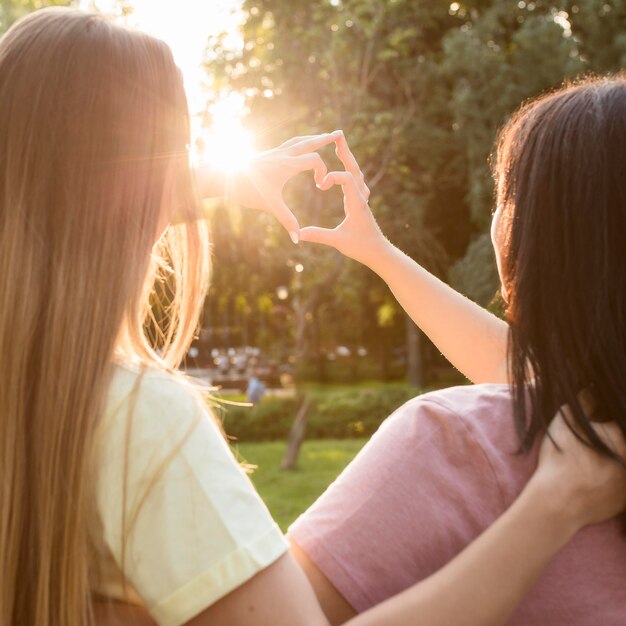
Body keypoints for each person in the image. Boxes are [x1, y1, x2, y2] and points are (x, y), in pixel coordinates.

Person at [0, 8, 623, 626]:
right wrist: (550, 507)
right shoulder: (140, 419)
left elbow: (542, 375)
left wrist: (366, 247)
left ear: (530, 238)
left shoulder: (65, 402)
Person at [292, 76, 626, 625]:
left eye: (505, 198)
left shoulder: (452, 443)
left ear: (528, 238)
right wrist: (377, 251)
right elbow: (526, 366)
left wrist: (552, 507)